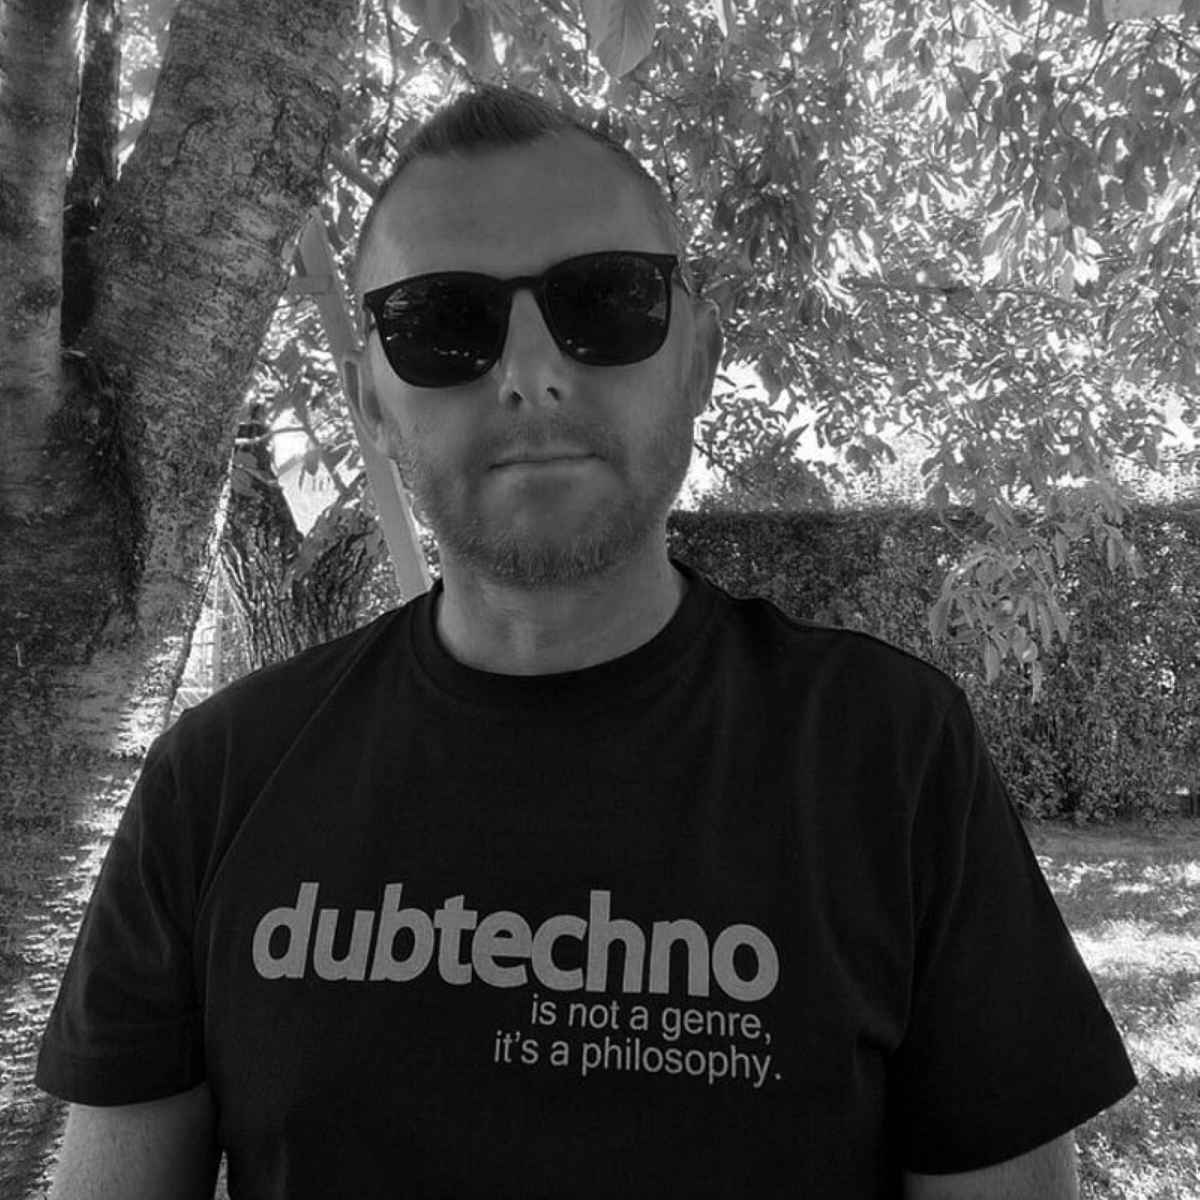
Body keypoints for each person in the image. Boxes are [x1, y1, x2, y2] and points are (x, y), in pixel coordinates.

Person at [36, 82, 1137, 1199]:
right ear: (370, 398)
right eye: (441, 322)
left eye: (606, 301)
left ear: (698, 355)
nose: (530, 373)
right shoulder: (216, 780)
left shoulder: (889, 755)